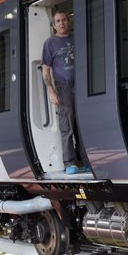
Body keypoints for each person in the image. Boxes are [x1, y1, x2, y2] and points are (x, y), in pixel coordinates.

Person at [41, 10, 91, 175]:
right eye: (58, 21)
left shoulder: (77, 38)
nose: (62, 23)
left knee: (83, 124)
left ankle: (85, 161)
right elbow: (46, 70)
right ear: (54, 25)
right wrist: (50, 90)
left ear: (68, 21)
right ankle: (70, 163)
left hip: (82, 85)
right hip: (63, 87)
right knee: (67, 125)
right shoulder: (50, 43)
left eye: (64, 20)